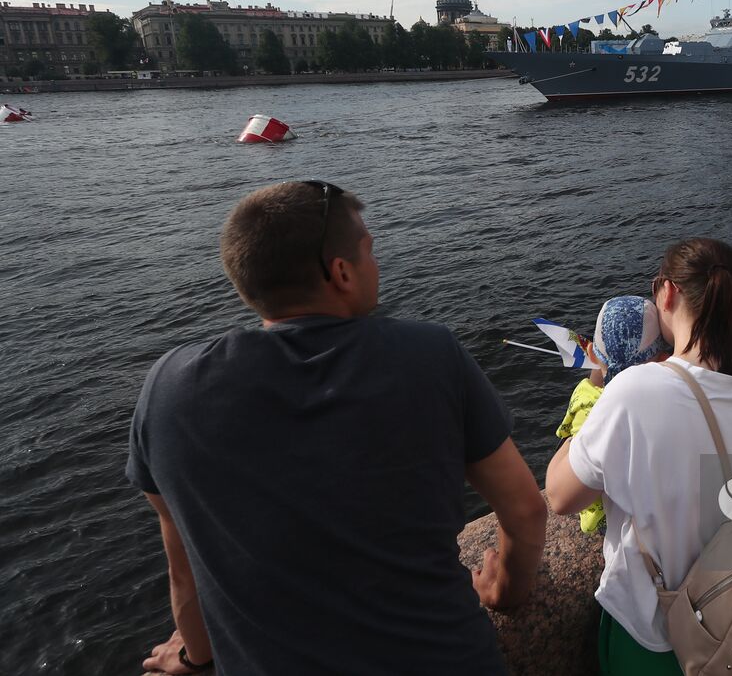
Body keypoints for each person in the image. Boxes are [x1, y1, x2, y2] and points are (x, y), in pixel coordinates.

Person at [127, 182, 545, 675]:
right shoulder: (429, 355)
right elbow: (524, 511)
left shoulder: (170, 388)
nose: (376, 263)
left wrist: (196, 659)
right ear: (341, 272)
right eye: (369, 250)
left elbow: (184, 564)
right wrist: (507, 589)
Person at [545, 238, 732, 674]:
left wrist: (597, 387)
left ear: (666, 293)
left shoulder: (635, 391)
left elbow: (560, 495)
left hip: (660, 635)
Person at [554, 296, 672, 534]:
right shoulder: (671, 401)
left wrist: (570, 442)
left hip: (613, 526)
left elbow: (559, 499)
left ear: (592, 354)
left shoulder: (591, 407)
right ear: (663, 358)